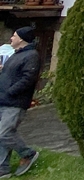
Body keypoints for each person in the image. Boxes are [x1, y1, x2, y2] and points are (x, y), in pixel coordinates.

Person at [0, 27, 40, 177]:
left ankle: (28, 154)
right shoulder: (17, 55)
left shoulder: (31, 55)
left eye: (14, 36)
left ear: (21, 39)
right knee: (3, 136)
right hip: (4, 100)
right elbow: (14, 74)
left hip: (15, 103)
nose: (11, 38)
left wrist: (10, 91)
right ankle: (2, 169)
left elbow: (28, 78)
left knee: (3, 134)